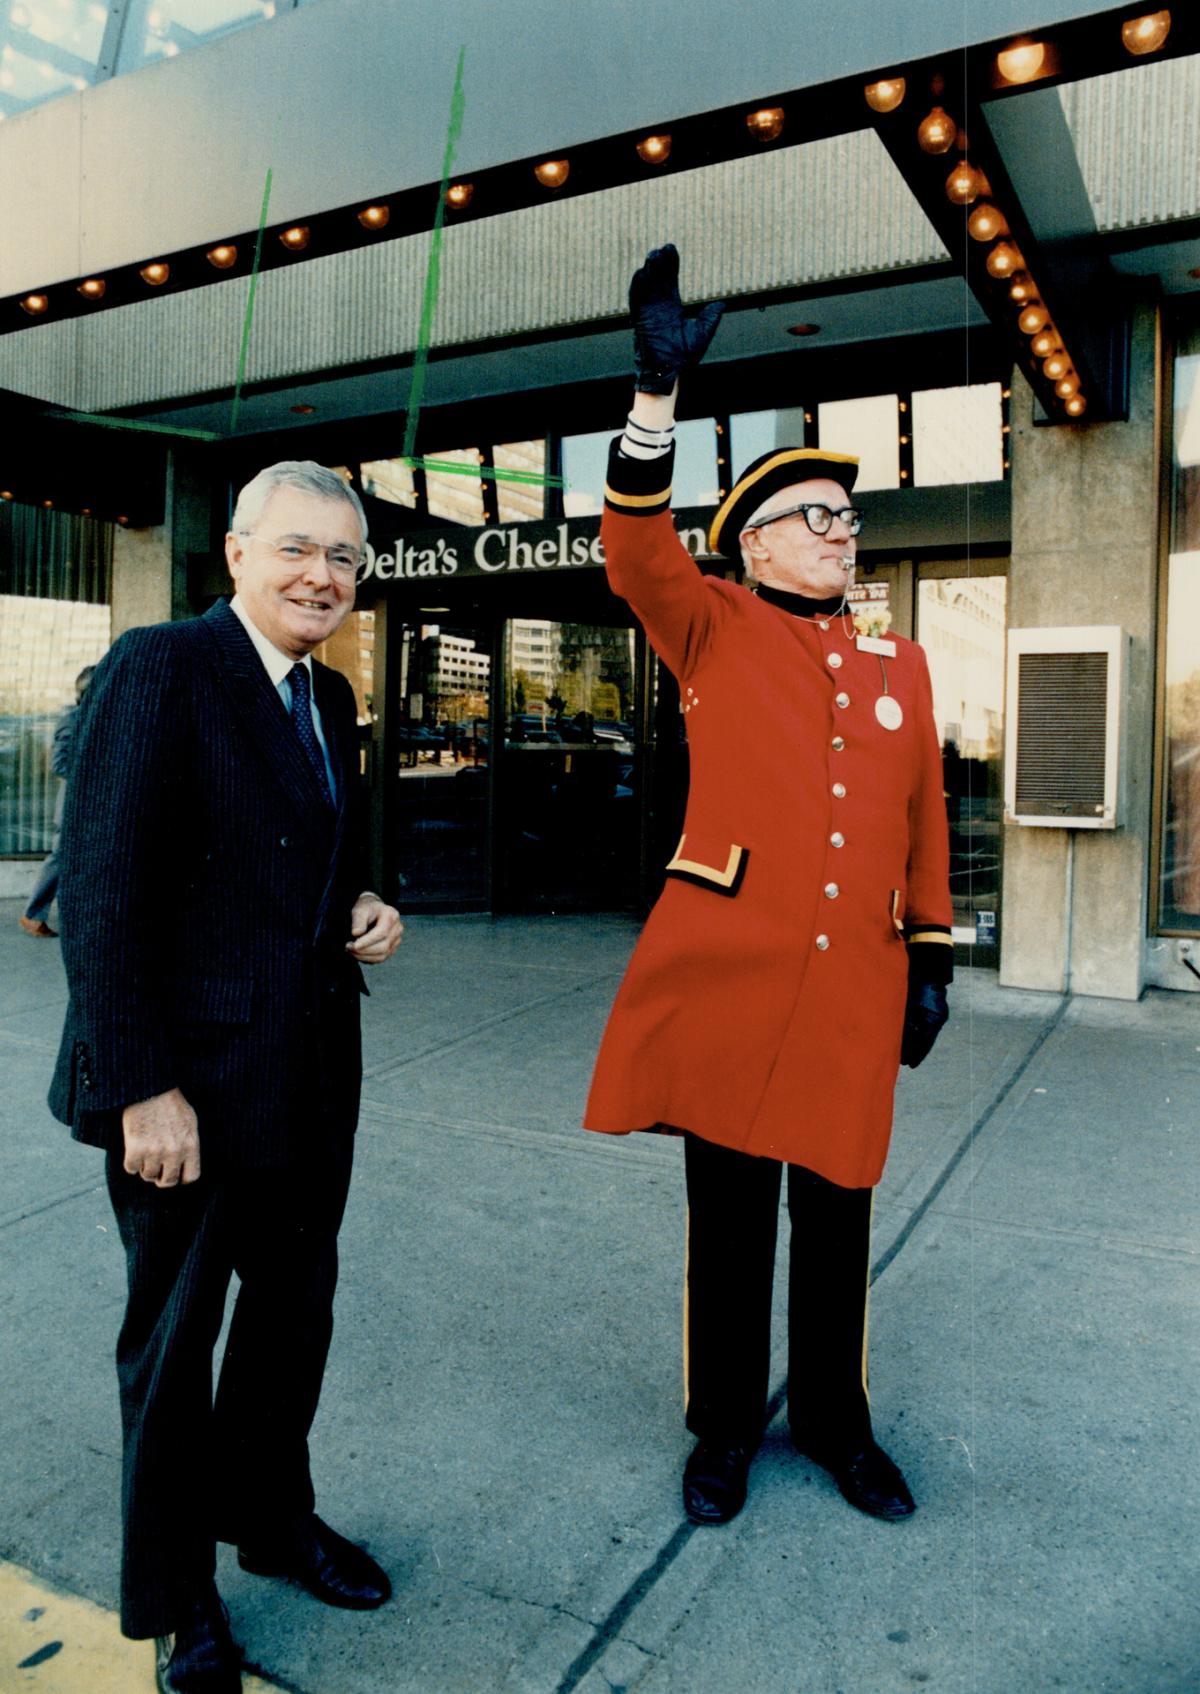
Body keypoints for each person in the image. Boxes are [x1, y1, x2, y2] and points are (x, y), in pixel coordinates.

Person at [584, 247, 952, 1529]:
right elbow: (634, 546)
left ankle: (840, 1427)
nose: (845, 533)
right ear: (753, 541)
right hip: (734, 972)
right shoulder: (713, 625)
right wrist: (653, 398)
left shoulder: (902, 661)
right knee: (730, 1220)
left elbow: (922, 821)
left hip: (857, 980)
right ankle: (725, 1428)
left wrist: (935, 953)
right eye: (819, 517)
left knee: (839, 1211)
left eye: (851, 518)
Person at [48, 461, 403, 1693]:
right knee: (175, 1343)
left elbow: (307, 856)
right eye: (299, 549)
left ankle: (272, 1520)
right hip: (184, 1092)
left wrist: (362, 901)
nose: (323, 576)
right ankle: (175, 1595)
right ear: (239, 555)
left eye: (346, 559)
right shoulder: (163, 666)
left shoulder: (335, 695)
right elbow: (100, 890)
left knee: (290, 1323)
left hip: (308, 1075)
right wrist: (141, 1086)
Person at [18, 664, 94, 938]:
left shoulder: (94, 717)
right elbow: (59, 764)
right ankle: (32, 915)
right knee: (60, 859)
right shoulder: (74, 719)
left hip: (89, 806)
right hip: (74, 805)